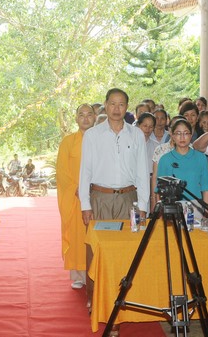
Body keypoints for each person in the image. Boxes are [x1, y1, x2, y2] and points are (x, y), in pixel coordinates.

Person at [79, 88, 149, 225]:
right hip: (100, 199)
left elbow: (143, 173)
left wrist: (143, 206)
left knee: (129, 239)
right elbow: (85, 172)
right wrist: (85, 205)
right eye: (112, 104)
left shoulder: (137, 134)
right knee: (99, 239)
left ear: (127, 107)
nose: (116, 109)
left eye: (121, 104)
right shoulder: (92, 135)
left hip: (128, 199)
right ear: (105, 104)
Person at [56, 104, 95, 290]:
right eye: (81, 115)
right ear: (76, 118)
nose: (85, 118)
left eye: (89, 115)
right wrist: (76, 188)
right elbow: (61, 171)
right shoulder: (68, 142)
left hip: (97, 195)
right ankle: (79, 275)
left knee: (95, 235)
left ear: (95, 117)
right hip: (75, 197)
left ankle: (97, 273)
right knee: (77, 235)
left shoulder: (101, 140)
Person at [157, 119, 208, 210]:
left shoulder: (201, 158)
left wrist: (206, 211)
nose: (182, 137)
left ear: (191, 135)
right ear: (172, 136)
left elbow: (206, 188)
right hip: (171, 207)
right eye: (178, 133)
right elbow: (159, 191)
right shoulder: (165, 159)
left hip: (196, 206)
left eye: (186, 133)